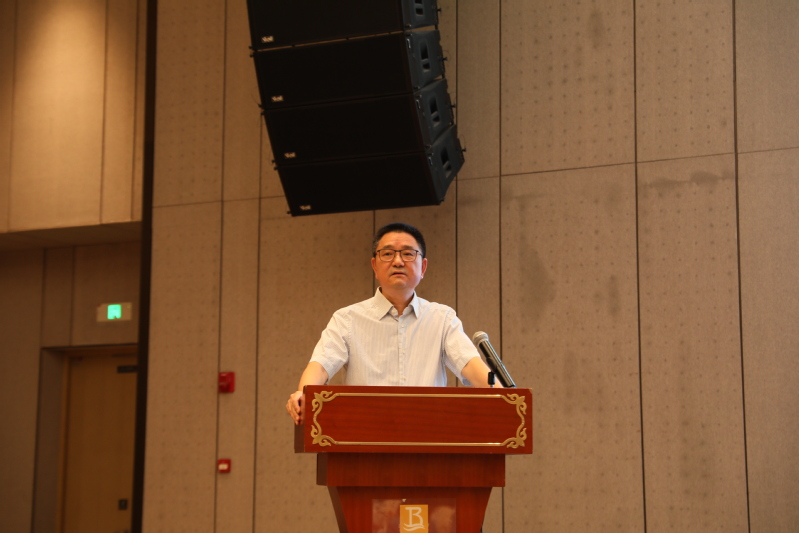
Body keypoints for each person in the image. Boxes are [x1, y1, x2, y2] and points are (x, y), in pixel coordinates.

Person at [286, 222, 499, 424]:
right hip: (364, 435)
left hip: (427, 433)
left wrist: (505, 399)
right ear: (374, 266)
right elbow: (321, 366)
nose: (398, 261)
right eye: (387, 254)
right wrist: (303, 394)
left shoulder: (442, 318)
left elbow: (471, 365)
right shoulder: (347, 319)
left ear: (423, 267)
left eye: (408, 253)